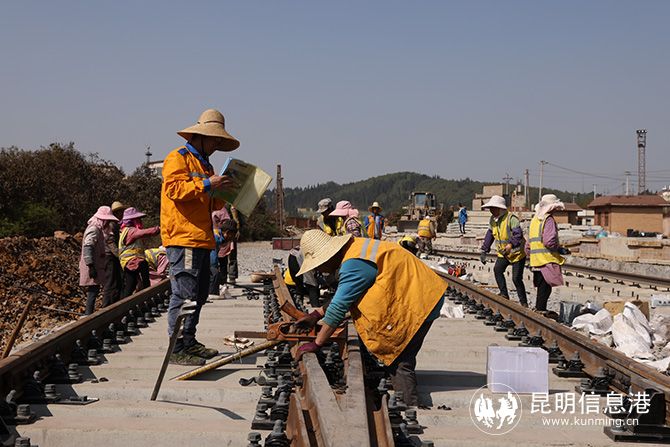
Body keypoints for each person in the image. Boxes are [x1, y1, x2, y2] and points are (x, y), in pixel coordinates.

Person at [294, 229, 446, 407]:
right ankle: (405, 398)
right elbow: (346, 294)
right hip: (423, 292)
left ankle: (409, 405)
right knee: (401, 355)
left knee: (399, 358)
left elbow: (339, 307)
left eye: (318, 265)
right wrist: (316, 314)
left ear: (328, 257)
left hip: (419, 301)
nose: (319, 270)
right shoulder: (355, 249)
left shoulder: (353, 264)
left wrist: (317, 344)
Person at [161, 108, 239, 366]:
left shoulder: (206, 165)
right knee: (184, 294)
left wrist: (225, 192)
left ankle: (189, 340)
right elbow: (174, 190)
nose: (216, 145)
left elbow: (211, 204)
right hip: (183, 238)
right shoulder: (178, 158)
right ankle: (176, 348)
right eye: (215, 140)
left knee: (199, 294)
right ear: (201, 136)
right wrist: (208, 184)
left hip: (202, 239)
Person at [479, 195, 528, 307]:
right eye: (490, 208)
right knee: (497, 270)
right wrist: (484, 250)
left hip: (517, 254)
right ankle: (504, 294)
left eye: (493, 208)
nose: (491, 210)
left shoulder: (511, 219)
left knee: (516, 279)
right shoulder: (493, 220)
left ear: (500, 208)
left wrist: (510, 245)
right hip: (504, 253)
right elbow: (490, 235)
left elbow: (518, 235)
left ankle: (524, 303)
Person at [526, 194, 570, 312]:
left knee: (541, 287)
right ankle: (540, 310)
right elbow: (549, 241)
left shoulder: (535, 220)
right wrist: (559, 249)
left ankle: (539, 309)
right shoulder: (548, 220)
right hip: (546, 259)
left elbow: (528, 245)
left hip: (536, 260)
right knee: (545, 288)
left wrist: (531, 255)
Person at [79, 206, 118, 315]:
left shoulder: (97, 229)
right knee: (93, 291)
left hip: (96, 264)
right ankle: (88, 315)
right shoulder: (94, 229)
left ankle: (88, 314)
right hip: (92, 265)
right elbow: (88, 246)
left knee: (94, 290)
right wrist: (91, 266)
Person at [118, 207, 160, 297]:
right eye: (138, 219)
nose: (140, 221)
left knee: (131, 285)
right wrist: (158, 229)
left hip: (129, 262)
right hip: (133, 261)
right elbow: (145, 232)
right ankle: (147, 297)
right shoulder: (131, 231)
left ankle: (129, 301)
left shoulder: (124, 231)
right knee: (139, 282)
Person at [101, 200, 127, 307]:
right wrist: (119, 254)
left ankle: (114, 304)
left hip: (112, 256)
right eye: (120, 212)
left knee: (116, 281)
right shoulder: (112, 225)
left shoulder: (115, 224)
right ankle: (106, 305)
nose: (122, 214)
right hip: (110, 256)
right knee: (111, 282)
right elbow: (110, 241)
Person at [209, 218, 238, 299]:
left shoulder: (218, 236)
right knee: (214, 273)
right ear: (227, 232)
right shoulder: (216, 237)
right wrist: (215, 267)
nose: (232, 238)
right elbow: (213, 256)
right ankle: (212, 294)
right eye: (232, 235)